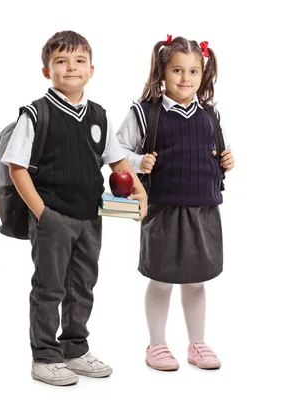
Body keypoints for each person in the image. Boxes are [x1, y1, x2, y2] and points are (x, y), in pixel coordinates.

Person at [1, 30, 148, 386]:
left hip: (90, 218)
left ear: (92, 69)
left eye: (79, 61)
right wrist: (42, 215)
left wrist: (140, 192)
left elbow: (117, 162)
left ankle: (75, 349)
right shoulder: (36, 114)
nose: (71, 67)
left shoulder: (99, 115)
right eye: (61, 61)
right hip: (52, 217)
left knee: (82, 285)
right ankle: (45, 356)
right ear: (46, 71)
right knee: (49, 287)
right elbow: (16, 167)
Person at [116, 35, 235, 371]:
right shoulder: (144, 113)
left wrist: (226, 160)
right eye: (178, 70)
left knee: (196, 280)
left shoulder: (210, 114)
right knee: (162, 277)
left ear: (203, 74)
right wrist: (139, 163)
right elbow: (116, 152)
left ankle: (197, 344)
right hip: (163, 208)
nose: (186, 78)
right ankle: (156, 345)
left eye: (193, 71)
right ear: (163, 72)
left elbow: (212, 152)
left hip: (203, 208)